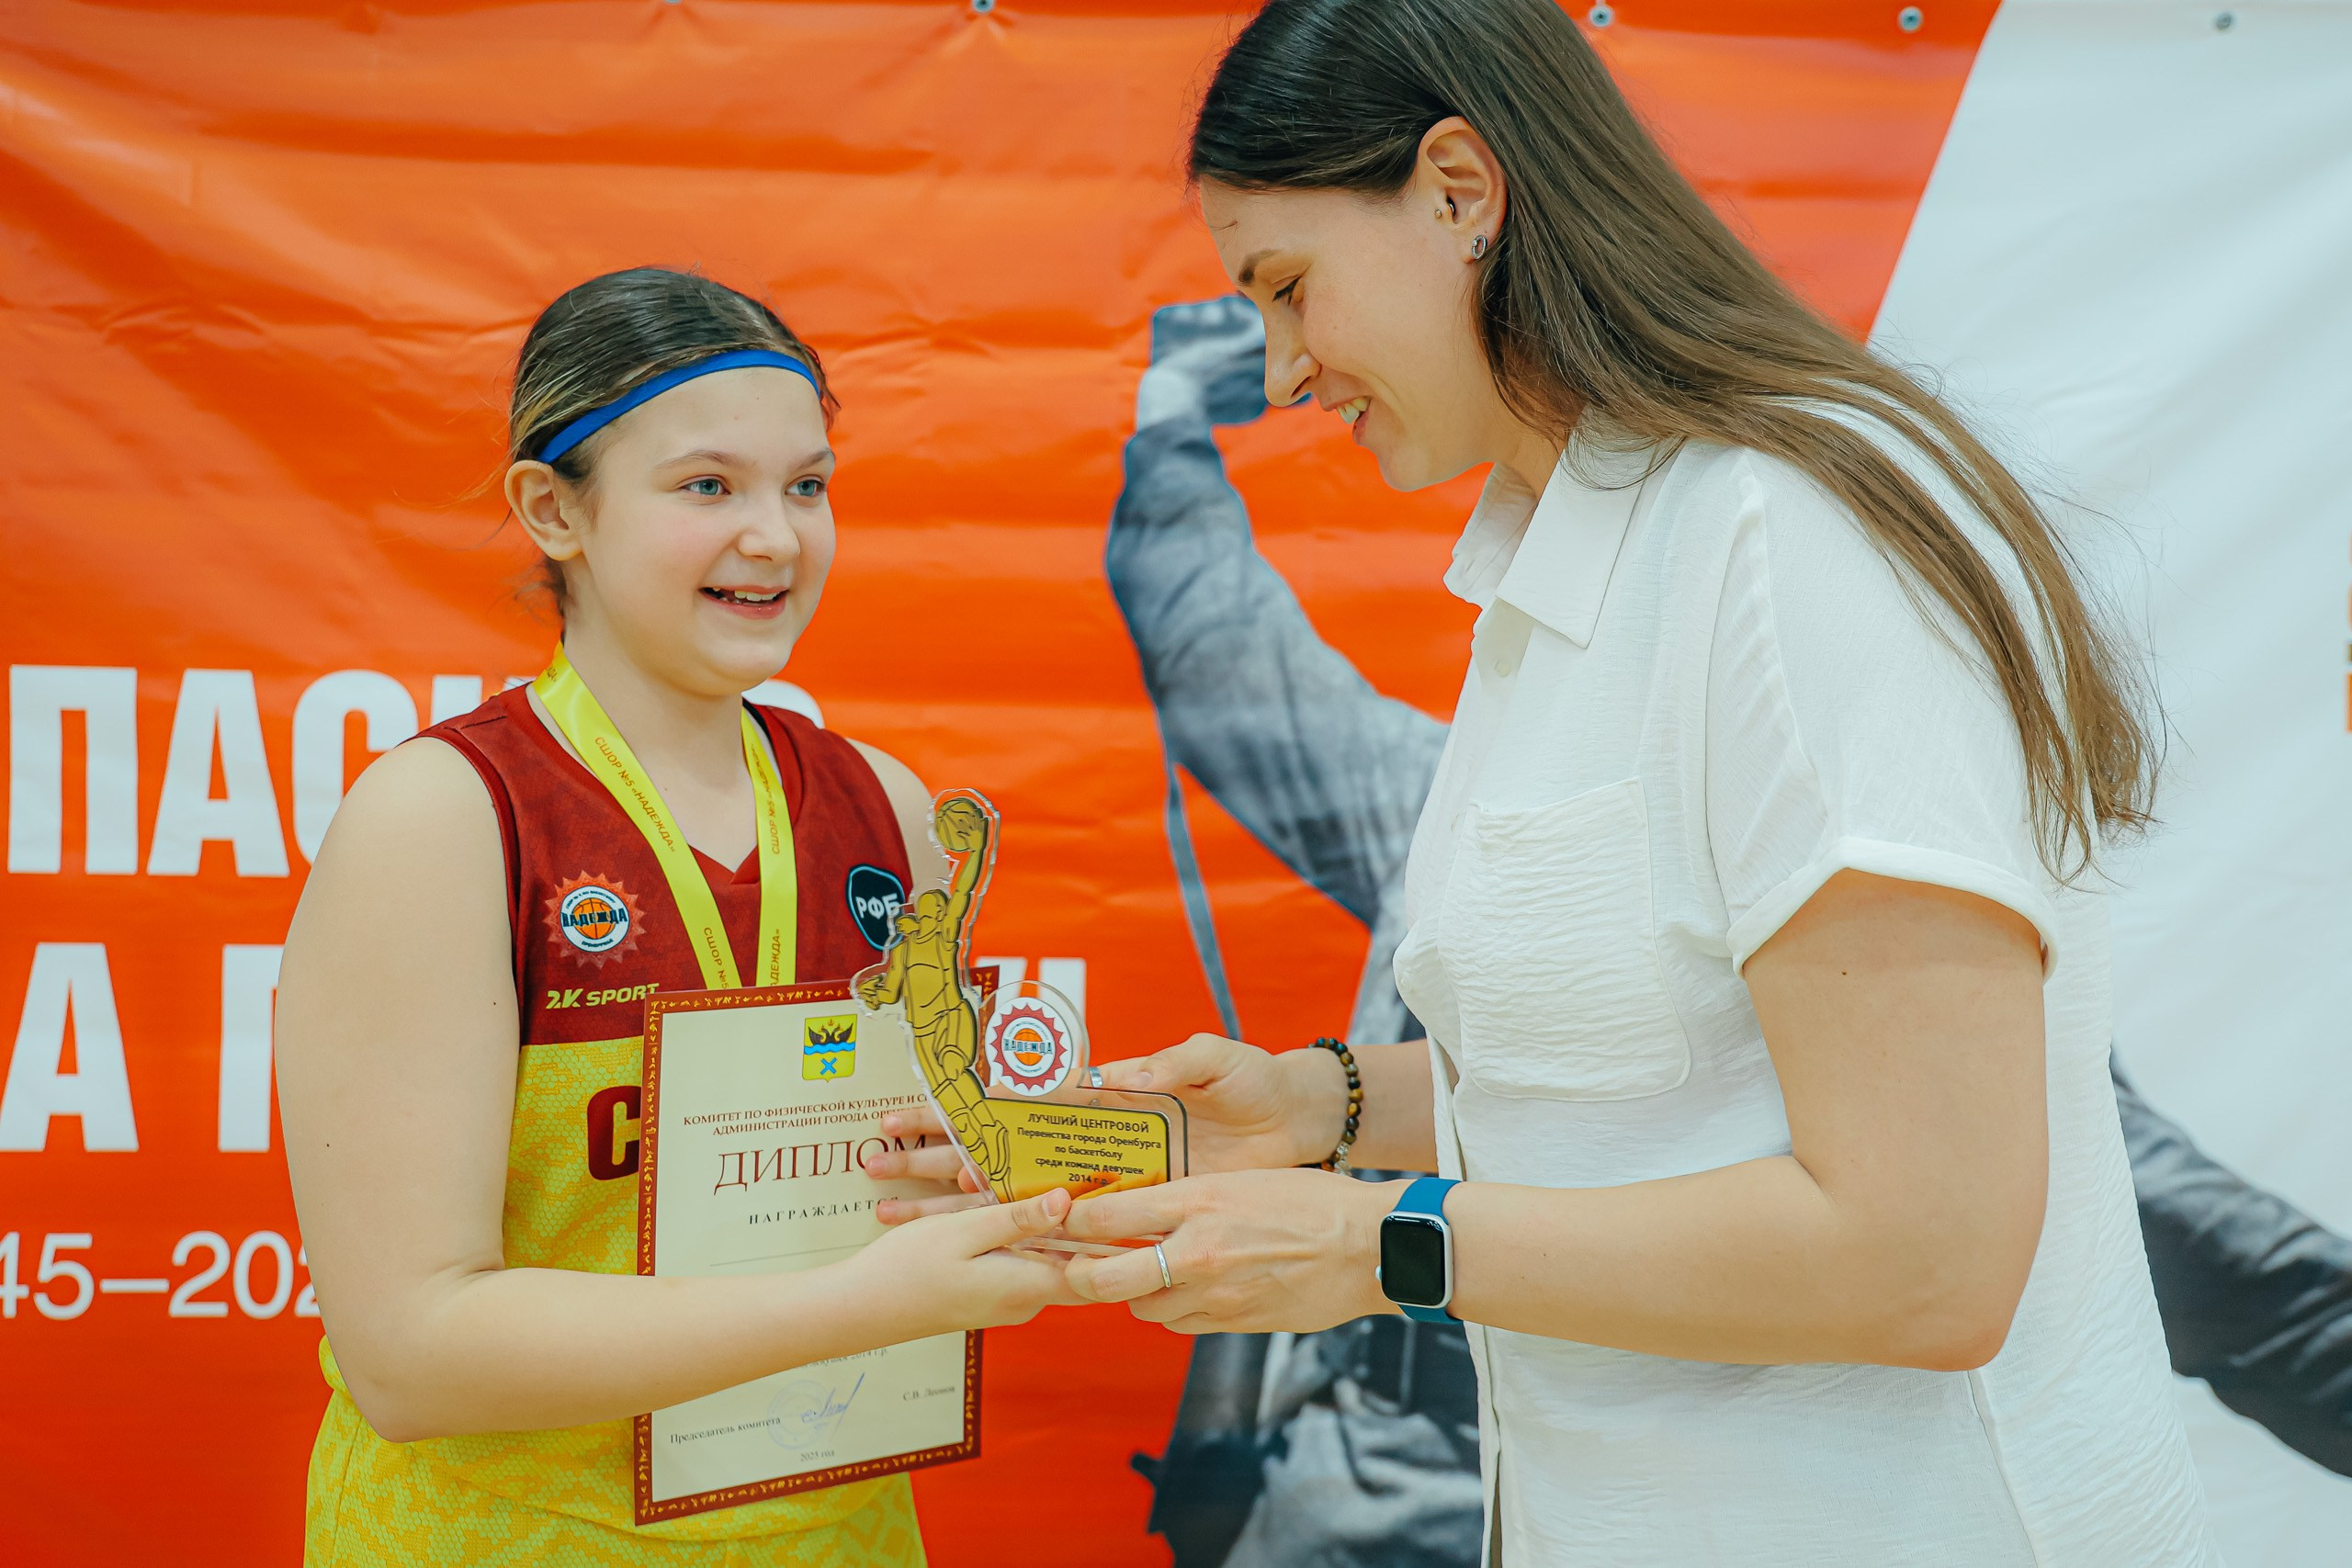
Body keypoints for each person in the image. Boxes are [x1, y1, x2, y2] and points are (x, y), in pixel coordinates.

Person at [1054, 0, 2221, 1560]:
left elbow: (1927, 1256)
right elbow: (1652, 1079)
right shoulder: (1562, 565)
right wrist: (1321, 1106)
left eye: (1288, 287)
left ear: (1459, 191)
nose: (1281, 371)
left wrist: (1386, 1246)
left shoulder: (1787, 540)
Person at [276, 266, 1074, 1567]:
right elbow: (409, 1355)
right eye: (708, 486)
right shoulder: (446, 818)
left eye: (806, 486)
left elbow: (913, 1186)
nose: (776, 537)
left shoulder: (888, 808)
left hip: (838, 1539)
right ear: (554, 509)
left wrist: (990, 1183)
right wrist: (857, 1302)